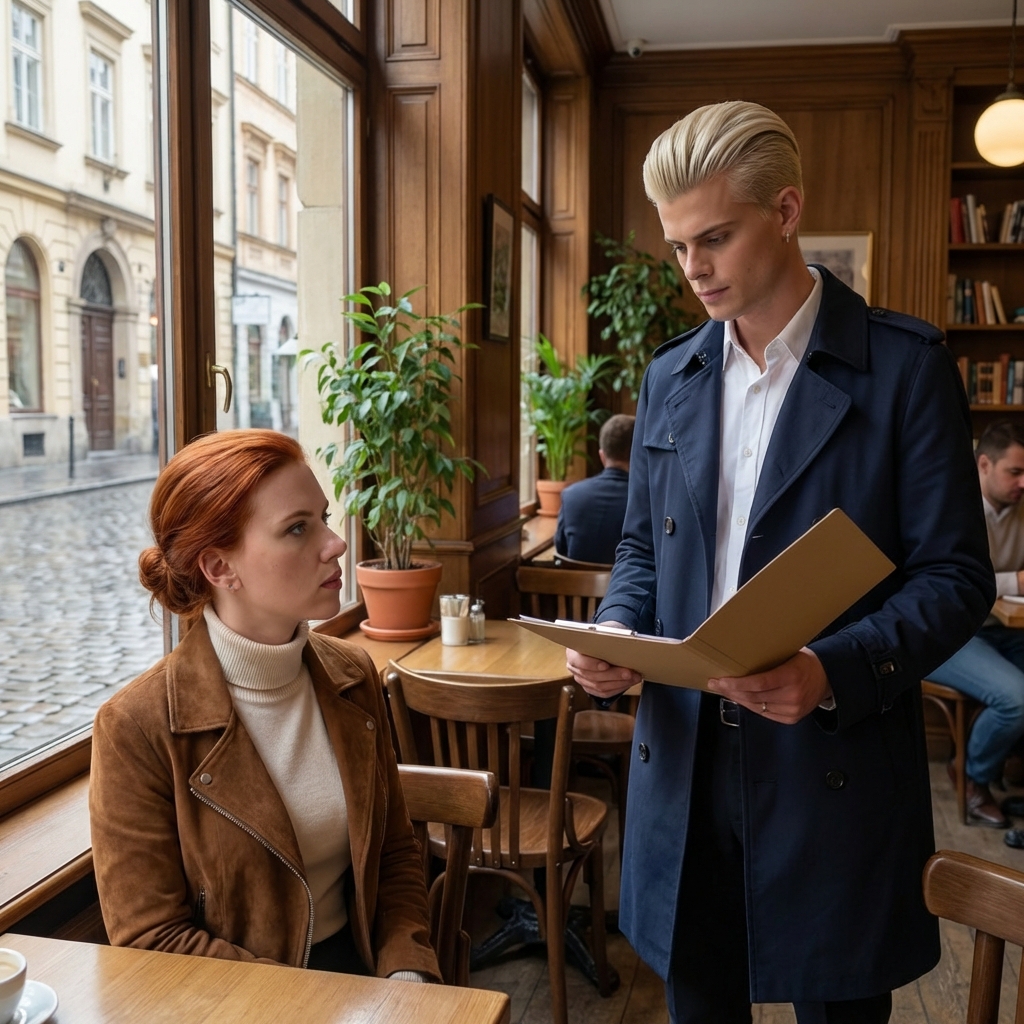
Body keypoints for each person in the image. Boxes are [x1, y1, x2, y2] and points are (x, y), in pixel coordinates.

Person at [565, 101, 994, 1024]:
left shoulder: (905, 366)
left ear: (787, 211)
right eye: (679, 247)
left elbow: (956, 578)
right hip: (683, 761)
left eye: (714, 237)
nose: (694, 270)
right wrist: (618, 630)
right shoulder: (668, 376)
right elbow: (642, 545)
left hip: (830, 762)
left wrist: (830, 671)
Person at [90, 429, 440, 980]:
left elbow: (394, 855)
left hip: (367, 980)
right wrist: (315, 1004)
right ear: (219, 568)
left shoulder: (352, 676)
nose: (335, 543)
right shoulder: (137, 727)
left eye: (323, 518)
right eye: (298, 528)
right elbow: (151, 940)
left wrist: (407, 975)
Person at [928, 420, 1024, 831]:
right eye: (1015, 472)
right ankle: (970, 775)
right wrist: (1014, 580)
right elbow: (938, 580)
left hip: (1003, 629)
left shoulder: (1019, 511)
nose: (1023, 482)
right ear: (983, 464)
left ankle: (1007, 768)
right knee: (1018, 699)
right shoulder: (948, 505)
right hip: (950, 634)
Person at [554, 414, 635, 565]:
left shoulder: (571, 495)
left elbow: (561, 551)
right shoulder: (647, 501)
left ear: (602, 456)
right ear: (638, 455)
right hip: (628, 588)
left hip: (574, 587)